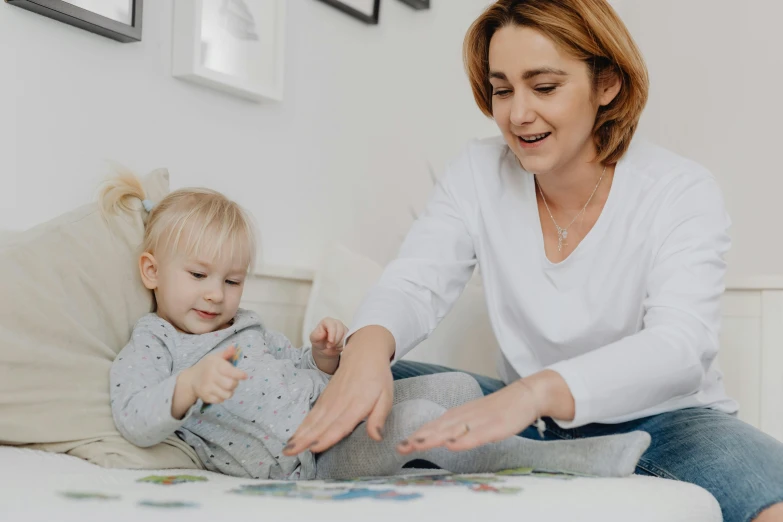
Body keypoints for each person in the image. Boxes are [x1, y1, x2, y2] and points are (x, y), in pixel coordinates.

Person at [283, 0, 783, 519]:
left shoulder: (679, 190)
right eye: (502, 90)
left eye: (544, 87)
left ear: (606, 83)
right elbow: (414, 282)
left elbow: (680, 347)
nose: (518, 114)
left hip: (662, 421)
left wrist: (534, 392)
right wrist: (366, 352)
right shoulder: (478, 172)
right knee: (333, 376)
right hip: (528, 419)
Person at [104, 174, 649, 481]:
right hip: (311, 458)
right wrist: (189, 387)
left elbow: (291, 368)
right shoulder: (157, 344)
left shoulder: (243, 326)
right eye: (198, 275)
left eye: (232, 281)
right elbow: (134, 418)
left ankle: (530, 439)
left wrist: (321, 358)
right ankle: (561, 462)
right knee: (417, 419)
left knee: (458, 388)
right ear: (151, 270)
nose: (214, 294)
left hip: (335, 409)